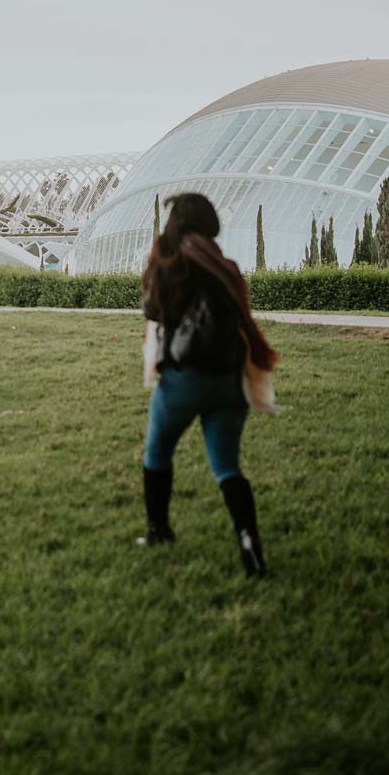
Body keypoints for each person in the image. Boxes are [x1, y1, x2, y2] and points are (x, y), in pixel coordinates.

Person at [139, 192, 278, 576]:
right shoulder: (226, 266)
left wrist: (157, 261)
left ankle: (158, 530)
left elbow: (151, 310)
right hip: (229, 380)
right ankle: (250, 546)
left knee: (157, 452)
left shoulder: (170, 263)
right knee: (226, 466)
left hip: (184, 380)